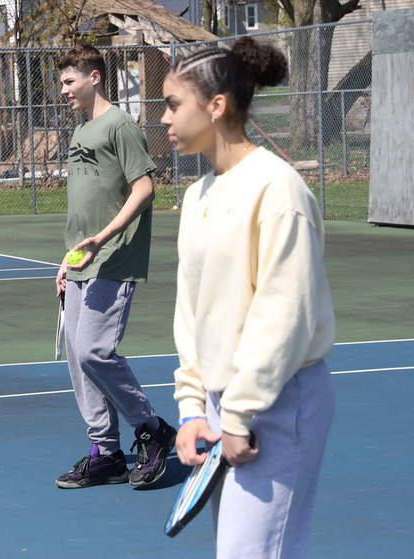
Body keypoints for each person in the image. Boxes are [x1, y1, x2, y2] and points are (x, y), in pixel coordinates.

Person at [162, 37, 337, 558]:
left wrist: (238, 416)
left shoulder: (277, 189)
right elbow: (191, 312)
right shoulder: (199, 195)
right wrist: (194, 407)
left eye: (173, 104)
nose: (164, 118)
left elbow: (284, 314)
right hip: (226, 405)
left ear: (216, 106)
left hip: (278, 402)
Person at [53, 44, 176, 489]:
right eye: (62, 82)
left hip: (114, 257)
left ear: (95, 77)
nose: (63, 90)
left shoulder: (120, 125)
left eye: (70, 81)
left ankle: (153, 429)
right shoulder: (81, 130)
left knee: (94, 351)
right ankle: (106, 453)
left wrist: (103, 239)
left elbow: (144, 189)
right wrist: (67, 260)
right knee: (77, 360)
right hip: (81, 262)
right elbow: (85, 207)